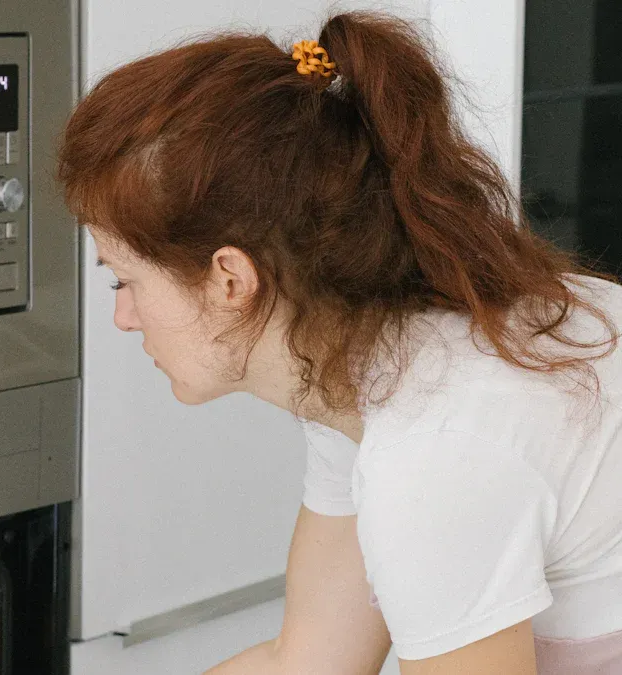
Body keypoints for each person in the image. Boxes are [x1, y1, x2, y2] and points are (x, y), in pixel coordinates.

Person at [58, 11, 622, 675]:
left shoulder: (436, 453)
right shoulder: (359, 368)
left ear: (230, 278)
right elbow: (306, 661)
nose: (123, 316)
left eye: (125, 280)